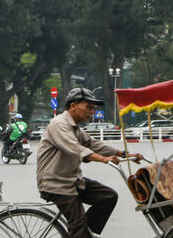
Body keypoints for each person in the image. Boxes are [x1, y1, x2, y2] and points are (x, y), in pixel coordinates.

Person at [37, 87, 142, 238]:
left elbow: (93, 144)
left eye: (93, 108)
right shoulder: (59, 124)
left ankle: (85, 234)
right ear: (73, 106)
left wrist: (124, 154)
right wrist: (103, 159)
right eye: (88, 107)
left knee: (108, 196)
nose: (92, 111)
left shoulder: (75, 127)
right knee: (77, 224)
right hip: (56, 184)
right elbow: (74, 148)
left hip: (72, 181)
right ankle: (81, 233)